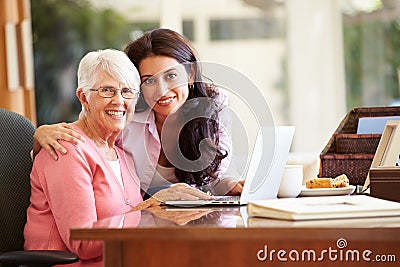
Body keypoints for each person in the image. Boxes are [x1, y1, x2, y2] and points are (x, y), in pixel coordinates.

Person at [24, 49, 211, 267]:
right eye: (107, 91)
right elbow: (83, 242)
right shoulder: (66, 148)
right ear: (84, 97)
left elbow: (128, 221)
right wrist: (150, 207)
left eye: (127, 92)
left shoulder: (121, 153)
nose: (119, 101)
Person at [33, 28, 244, 197]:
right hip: (140, 223)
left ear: (190, 74)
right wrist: (40, 136)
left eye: (171, 76)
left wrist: (230, 184)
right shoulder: (125, 117)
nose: (161, 91)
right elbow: (84, 144)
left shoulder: (213, 112)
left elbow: (217, 175)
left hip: (193, 224)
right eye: (149, 80)